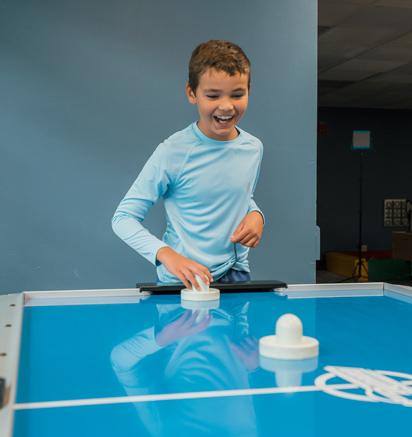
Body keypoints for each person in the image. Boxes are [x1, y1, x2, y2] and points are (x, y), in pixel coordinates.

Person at [112, 40, 264, 291]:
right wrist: (167, 255)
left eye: (237, 94)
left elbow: (241, 196)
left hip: (236, 276)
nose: (226, 106)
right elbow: (122, 218)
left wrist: (257, 215)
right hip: (185, 282)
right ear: (192, 93)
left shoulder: (253, 148)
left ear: (249, 90)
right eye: (213, 95)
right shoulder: (172, 152)